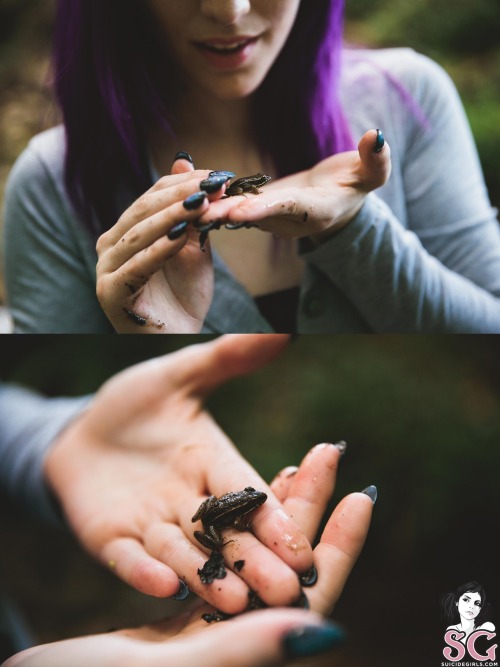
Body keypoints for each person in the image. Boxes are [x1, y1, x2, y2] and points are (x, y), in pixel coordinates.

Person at [3, 1, 500, 333]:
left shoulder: (408, 96)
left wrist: (352, 226)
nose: (229, 10)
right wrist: (156, 337)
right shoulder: (50, 185)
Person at [0, 335, 376, 666]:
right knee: (222, 542)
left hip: (212, 508)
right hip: (212, 521)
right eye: (251, 502)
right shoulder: (242, 514)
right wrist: (226, 536)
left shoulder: (247, 502)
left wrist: (55, 442)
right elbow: (229, 519)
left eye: (251, 502)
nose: (254, 501)